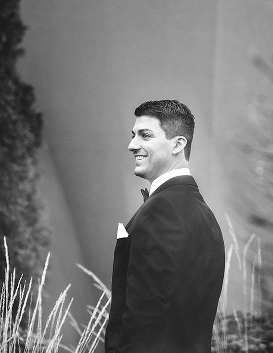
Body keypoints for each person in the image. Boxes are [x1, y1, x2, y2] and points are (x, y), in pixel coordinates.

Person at [105, 100, 225, 353]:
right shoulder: (204, 214)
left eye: (145, 135)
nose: (132, 145)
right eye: (133, 135)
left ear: (178, 144)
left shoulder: (162, 210)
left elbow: (146, 320)